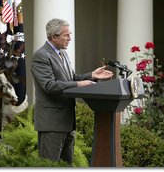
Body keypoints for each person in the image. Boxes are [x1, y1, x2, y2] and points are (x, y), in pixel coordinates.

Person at [31, 18, 113, 164]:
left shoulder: (63, 54)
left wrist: (92, 75)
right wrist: (79, 84)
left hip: (68, 122)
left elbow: (71, 78)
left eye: (70, 34)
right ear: (54, 36)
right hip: (52, 123)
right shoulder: (41, 56)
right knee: (49, 166)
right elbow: (50, 85)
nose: (70, 38)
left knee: (66, 165)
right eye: (66, 35)